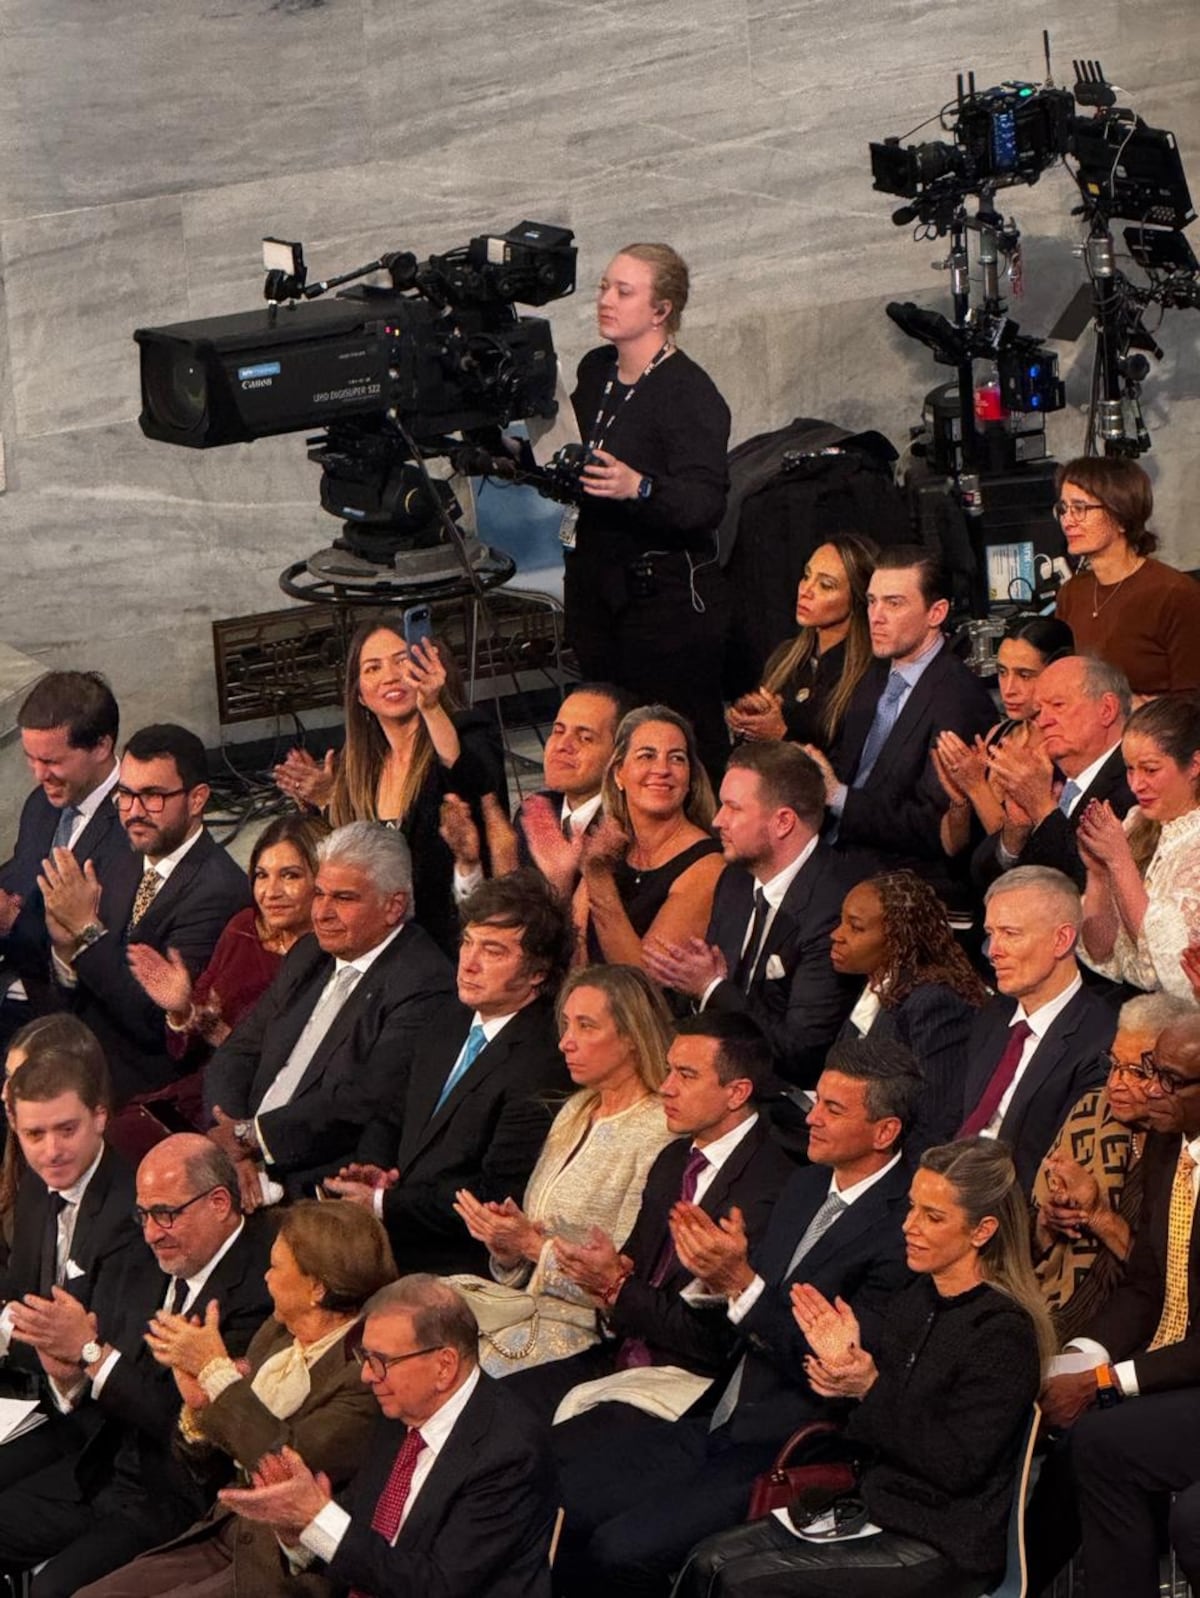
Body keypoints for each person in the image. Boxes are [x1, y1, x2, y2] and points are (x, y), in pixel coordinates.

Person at [548, 1037, 917, 1598]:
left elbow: (832, 1366)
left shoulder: (905, 1231)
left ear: (884, 1132)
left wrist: (740, 1284)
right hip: (715, 1413)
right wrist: (711, 1282)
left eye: (834, 1110)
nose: (811, 1117)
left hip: (787, 1444)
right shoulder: (807, 1184)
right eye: (818, 1100)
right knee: (557, 1496)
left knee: (620, 1550)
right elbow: (749, 1308)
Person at [673, 1138, 1050, 1598]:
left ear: (982, 1230)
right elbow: (872, 1424)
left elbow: (956, 1465)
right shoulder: (915, 1299)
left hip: (941, 1540)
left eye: (933, 1217)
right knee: (704, 1559)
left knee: (737, 1582)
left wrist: (868, 1386)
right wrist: (841, 1374)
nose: (909, 1226)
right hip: (871, 1507)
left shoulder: (1002, 1332)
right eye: (911, 1208)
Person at [76, 1201, 396, 1598]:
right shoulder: (278, 1332)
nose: (265, 1277)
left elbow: (282, 1465)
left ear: (317, 1288)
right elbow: (210, 1470)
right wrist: (199, 1410)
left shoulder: (363, 1373)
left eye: (277, 1267)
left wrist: (217, 1373)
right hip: (222, 1529)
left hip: (281, 1566)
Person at [0, 1134, 274, 1597]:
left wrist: (91, 1353)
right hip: (96, 1464)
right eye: (144, 1215)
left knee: (51, 1591)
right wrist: (67, 1373)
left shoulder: (259, 1293)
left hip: (171, 1495)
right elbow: (93, 1373)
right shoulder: (145, 1261)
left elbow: (188, 1426)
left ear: (220, 1203)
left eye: (166, 1214)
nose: (151, 1233)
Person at [502, 1013, 795, 1423]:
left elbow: (714, 1338)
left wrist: (617, 1287)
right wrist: (606, 1275)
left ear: (737, 1092)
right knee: (494, 1407)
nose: (666, 1087)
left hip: (691, 1385)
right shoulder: (674, 1158)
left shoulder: (770, 1185)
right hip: (621, 1352)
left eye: (686, 1075)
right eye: (669, 1070)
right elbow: (632, 1269)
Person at [217, 1274, 559, 1598]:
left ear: (444, 1366)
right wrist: (298, 1533)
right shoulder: (397, 1417)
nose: (366, 1374)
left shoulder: (509, 1451)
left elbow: (437, 1587)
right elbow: (359, 1537)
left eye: (380, 1361)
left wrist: (318, 1519)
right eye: (364, 1357)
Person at [1027, 1014, 1200, 1596]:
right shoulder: (1167, 1146)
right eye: (1151, 1072)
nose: (1151, 1091)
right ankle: (1013, 1576)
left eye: (1169, 1080)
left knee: (1099, 1441)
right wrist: (1081, 1356)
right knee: (1045, 1404)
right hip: (1160, 1356)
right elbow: (1147, 1284)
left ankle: (1014, 1578)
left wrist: (1104, 1383)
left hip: (1192, 1372)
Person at [326, 869, 572, 1275]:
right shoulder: (449, 1017)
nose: (469, 964)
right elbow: (392, 1113)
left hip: (455, 1263)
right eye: (467, 943)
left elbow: (493, 1195)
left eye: (493, 952)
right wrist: (376, 1169)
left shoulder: (543, 1062)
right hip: (397, 1232)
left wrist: (384, 1204)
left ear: (538, 972)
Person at [203, 822, 455, 1208]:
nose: (322, 912)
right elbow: (237, 1052)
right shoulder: (310, 954)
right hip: (245, 1156)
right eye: (319, 893)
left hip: (316, 1179)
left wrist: (253, 1138)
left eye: (343, 898)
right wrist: (232, 1138)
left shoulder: (422, 980)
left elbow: (362, 1099)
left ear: (394, 905)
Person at [451, 963, 675, 1375]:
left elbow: (626, 1276)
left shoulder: (659, 1130)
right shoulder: (576, 1109)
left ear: (630, 1037)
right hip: (525, 1312)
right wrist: (505, 1248)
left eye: (586, 1027)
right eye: (567, 1025)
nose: (566, 1043)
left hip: (588, 1337)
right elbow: (529, 1250)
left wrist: (533, 1248)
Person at [562, 242, 732, 780]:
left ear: (661, 311)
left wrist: (639, 487)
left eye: (623, 291)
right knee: (611, 737)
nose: (606, 300)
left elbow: (705, 503)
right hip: (595, 589)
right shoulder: (596, 371)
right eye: (604, 288)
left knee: (678, 741)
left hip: (662, 607)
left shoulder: (689, 392)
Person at [39, 724, 253, 1106]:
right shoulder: (120, 856)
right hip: (83, 1048)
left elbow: (154, 1023)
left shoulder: (218, 891)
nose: (134, 812)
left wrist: (86, 931)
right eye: (126, 794)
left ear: (197, 799)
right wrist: (64, 948)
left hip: (145, 1085)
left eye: (153, 796)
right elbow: (84, 979)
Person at [273, 618, 504, 957]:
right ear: (360, 696)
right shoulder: (359, 767)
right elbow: (360, 864)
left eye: (402, 661)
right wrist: (328, 802)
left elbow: (471, 788)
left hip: (452, 939)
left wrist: (431, 708)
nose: (390, 676)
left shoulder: (467, 732)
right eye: (372, 668)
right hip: (378, 942)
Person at [645, 741, 856, 1087]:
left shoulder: (835, 906)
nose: (717, 820)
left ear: (783, 822)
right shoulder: (736, 880)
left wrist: (710, 987)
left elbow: (802, 1053)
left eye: (733, 808)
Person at [802, 544, 996, 905]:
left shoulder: (958, 698)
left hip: (905, 883)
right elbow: (847, 767)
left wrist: (839, 797)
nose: (876, 616)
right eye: (872, 601)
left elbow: (934, 826)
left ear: (936, 612)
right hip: (839, 855)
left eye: (893, 603)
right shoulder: (873, 674)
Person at [1031, 993, 1191, 1342]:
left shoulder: (1184, 1151)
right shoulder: (1092, 1112)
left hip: (1129, 1329)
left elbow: (1168, 1283)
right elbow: (1030, 1243)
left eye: (1136, 1072)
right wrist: (1051, 1220)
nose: (1116, 1083)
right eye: (1114, 1064)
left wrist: (1099, 1218)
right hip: (1043, 1301)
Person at [0, 1039, 139, 1429]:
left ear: (99, 1116)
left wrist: (14, 1332)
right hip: (36, 1394)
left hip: (98, 1425)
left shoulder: (129, 1209)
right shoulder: (36, 1185)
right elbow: (21, 1297)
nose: (51, 1151)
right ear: (14, 1126)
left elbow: (104, 1350)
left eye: (66, 1129)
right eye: (35, 1134)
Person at [959, 866, 1114, 1192]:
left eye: (1010, 934)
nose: (993, 951)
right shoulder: (991, 1016)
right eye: (991, 934)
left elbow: (1056, 1170)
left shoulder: (1101, 1039)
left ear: (1062, 940)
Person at [0, 672, 127, 1039]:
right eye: (31, 759)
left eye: (52, 761)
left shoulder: (131, 828)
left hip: (70, 1023)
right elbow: (20, 878)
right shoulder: (41, 805)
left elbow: (100, 946)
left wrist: (12, 922)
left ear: (101, 747)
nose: (40, 775)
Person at [832, 870, 990, 1153]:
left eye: (855, 927)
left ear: (896, 939)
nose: (837, 935)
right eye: (841, 922)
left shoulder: (933, 1004)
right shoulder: (877, 984)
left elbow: (937, 1120)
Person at [443, 681, 634, 902]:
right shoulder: (535, 811)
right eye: (558, 730)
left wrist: (558, 881)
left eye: (585, 738)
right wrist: (469, 866)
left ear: (618, 758)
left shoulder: (621, 834)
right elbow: (505, 923)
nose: (562, 745)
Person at [577, 704, 723, 974]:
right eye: (647, 756)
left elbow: (644, 982)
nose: (662, 769)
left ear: (690, 777)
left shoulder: (708, 865)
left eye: (677, 758)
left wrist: (598, 880)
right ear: (619, 773)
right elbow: (572, 960)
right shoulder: (608, 848)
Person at [972, 653, 1134, 892]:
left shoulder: (1135, 781)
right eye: (1039, 711)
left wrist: (1042, 808)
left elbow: (1087, 884)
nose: (1043, 721)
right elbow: (981, 876)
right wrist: (1016, 832)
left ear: (1107, 709)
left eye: (1058, 705)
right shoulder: (1048, 778)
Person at [1077, 694, 1200, 1003]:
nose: (1135, 785)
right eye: (1130, 769)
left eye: (1150, 769)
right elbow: (1101, 951)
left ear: (1195, 765)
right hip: (1126, 1003)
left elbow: (1173, 968)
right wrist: (1097, 874)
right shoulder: (1135, 821)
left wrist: (1119, 861)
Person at [1052, 455, 1200, 697]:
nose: (1067, 521)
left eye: (1080, 509)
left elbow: (1191, 701)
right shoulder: (1072, 592)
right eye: (1063, 509)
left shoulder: (1175, 594)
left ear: (1121, 517)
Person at [932, 613, 1074, 857]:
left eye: (1024, 675)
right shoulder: (998, 734)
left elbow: (1015, 852)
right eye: (1002, 672)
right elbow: (952, 847)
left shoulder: (1063, 751)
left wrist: (977, 787)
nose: (1008, 689)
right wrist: (960, 801)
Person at [725, 534, 878, 750]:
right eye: (806, 576)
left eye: (825, 585)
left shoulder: (871, 675)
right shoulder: (785, 656)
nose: (806, 590)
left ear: (857, 598)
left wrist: (781, 735)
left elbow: (847, 769)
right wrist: (750, 721)